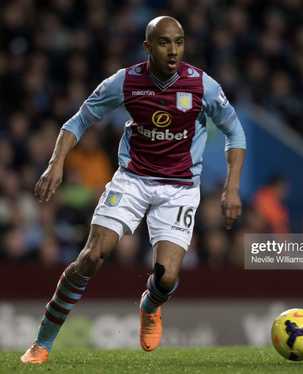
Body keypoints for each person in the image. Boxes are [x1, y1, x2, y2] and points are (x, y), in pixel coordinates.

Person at [21, 16, 246, 364]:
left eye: (179, 42)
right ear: (147, 46)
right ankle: (42, 342)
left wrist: (232, 187)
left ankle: (150, 305)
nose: (173, 50)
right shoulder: (124, 82)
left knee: (167, 277)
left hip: (180, 187)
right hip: (132, 180)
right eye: (164, 42)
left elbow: (235, 132)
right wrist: (56, 163)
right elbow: (79, 119)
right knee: (91, 256)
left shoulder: (202, 86)